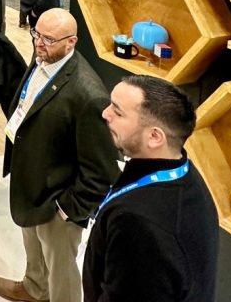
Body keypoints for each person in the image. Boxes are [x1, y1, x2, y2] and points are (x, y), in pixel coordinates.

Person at [0, 9, 119, 302]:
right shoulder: (43, 58)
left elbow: (101, 172)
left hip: (57, 201)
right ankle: (34, 287)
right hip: (32, 182)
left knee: (61, 270)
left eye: (48, 39)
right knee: (32, 244)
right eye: (36, 34)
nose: (39, 42)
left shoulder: (89, 95)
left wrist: (67, 210)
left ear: (71, 42)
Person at [83, 76, 218, 302]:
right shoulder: (182, 168)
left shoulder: (138, 224)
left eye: (118, 112)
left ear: (154, 137)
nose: (105, 114)